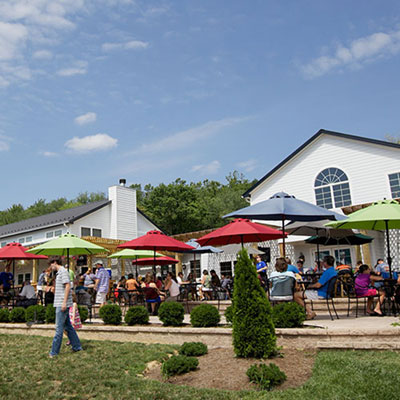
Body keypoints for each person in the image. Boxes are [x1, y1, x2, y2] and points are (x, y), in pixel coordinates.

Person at [48, 257, 82, 358]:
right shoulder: (59, 273)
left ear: (55, 262)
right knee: (68, 327)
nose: (50, 267)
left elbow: (68, 286)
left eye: (51, 264)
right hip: (60, 303)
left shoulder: (63, 271)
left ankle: (54, 352)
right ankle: (77, 346)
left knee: (59, 329)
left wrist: (64, 303)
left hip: (62, 304)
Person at [294, 255, 338, 320]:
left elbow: (318, 285)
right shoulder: (333, 271)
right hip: (327, 293)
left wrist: (309, 286)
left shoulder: (327, 272)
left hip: (321, 293)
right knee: (301, 294)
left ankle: (309, 312)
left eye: (323, 262)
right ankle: (308, 310)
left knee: (295, 295)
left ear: (325, 263)